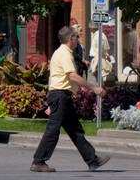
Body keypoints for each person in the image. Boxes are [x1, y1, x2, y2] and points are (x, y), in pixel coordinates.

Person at [31, 26, 110, 172]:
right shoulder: (64, 54)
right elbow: (72, 76)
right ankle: (38, 161)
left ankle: (92, 160)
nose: (78, 39)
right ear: (70, 39)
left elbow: (52, 77)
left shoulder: (60, 53)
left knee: (75, 129)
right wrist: (94, 88)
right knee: (53, 130)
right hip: (60, 95)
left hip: (61, 95)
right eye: (76, 37)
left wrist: (50, 99)